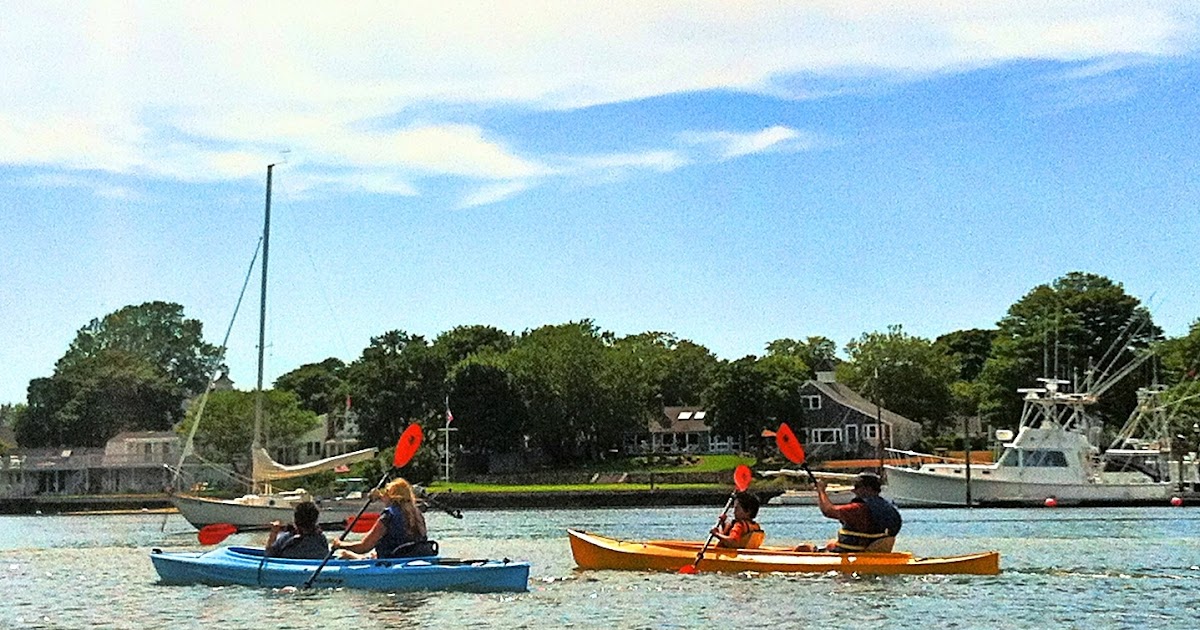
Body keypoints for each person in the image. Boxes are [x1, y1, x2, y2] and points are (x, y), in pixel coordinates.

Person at [331, 477, 433, 559]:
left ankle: (350, 555)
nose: (384, 496)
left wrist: (340, 545)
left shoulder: (388, 516)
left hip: (394, 560)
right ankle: (356, 557)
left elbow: (364, 546)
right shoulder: (417, 513)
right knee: (373, 556)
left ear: (391, 496)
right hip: (421, 556)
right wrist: (377, 496)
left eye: (386, 493)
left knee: (346, 554)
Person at [813, 472, 902, 553]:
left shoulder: (858, 508)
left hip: (852, 553)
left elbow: (828, 511)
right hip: (873, 550)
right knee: (831, 543)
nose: (854, 490)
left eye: (857, 486)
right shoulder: (889, 508)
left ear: (868, 488)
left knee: (804, 548)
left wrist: (821, 491)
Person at [265, 500, 329, 559]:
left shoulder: (287, 539)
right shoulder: (321, 539)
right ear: (315, 521)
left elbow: (269, 555)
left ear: (295, 521)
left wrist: (274, 533)